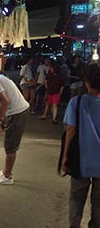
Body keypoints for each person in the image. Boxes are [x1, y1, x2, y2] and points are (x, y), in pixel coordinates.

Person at [62, 63, 100, 228]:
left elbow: (70, 130)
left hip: (80, 160)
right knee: (99, 203)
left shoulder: (76, 103)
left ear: (86, 82)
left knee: (76, 198)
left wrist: (64, 157)